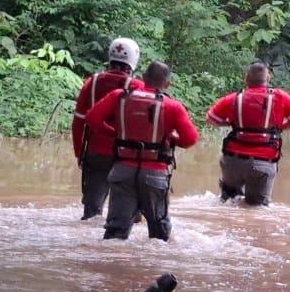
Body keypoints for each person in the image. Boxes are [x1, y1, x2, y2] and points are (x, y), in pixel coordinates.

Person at [84, 61, 199, 241]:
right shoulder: (173, 106)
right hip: (155, 174)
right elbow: (190, 139)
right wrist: (170, 139)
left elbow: (92, 118)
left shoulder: (118, 96)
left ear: (143, 78)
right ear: (167, 84)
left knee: (115, 233)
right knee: (159, 235)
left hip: (122, 171)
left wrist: (114, 133)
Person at [205, 61, 290, 206]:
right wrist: (278, 128)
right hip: (263, 162)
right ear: (268, 78)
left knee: (228, 203)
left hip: (232, 161)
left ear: (246, 78)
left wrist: (229, 124)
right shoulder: (280, 96)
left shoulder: (235, 98)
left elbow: (211, 119)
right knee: (257, 209)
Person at [71, 37, 140, 219]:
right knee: (129, 213)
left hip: (95, 152)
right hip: (126, 155)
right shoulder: (137, 87)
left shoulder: (91, 83)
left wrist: (79, 153)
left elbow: (78, 122)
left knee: (91, 213)